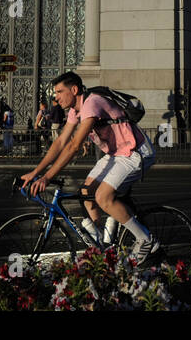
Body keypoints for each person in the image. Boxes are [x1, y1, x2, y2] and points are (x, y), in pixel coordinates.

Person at [21, 72, 158, 259]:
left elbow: (73, 146)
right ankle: (102, 245)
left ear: (74, 89)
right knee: (86, 191)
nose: (56, 97)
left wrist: (47, 177)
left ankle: (146, 239)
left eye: (60, 91)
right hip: (116, 153)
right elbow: (61, 141)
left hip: (135, 152)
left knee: (103, 196)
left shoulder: (91, 103)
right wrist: (36, 172)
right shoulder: (74, 111)